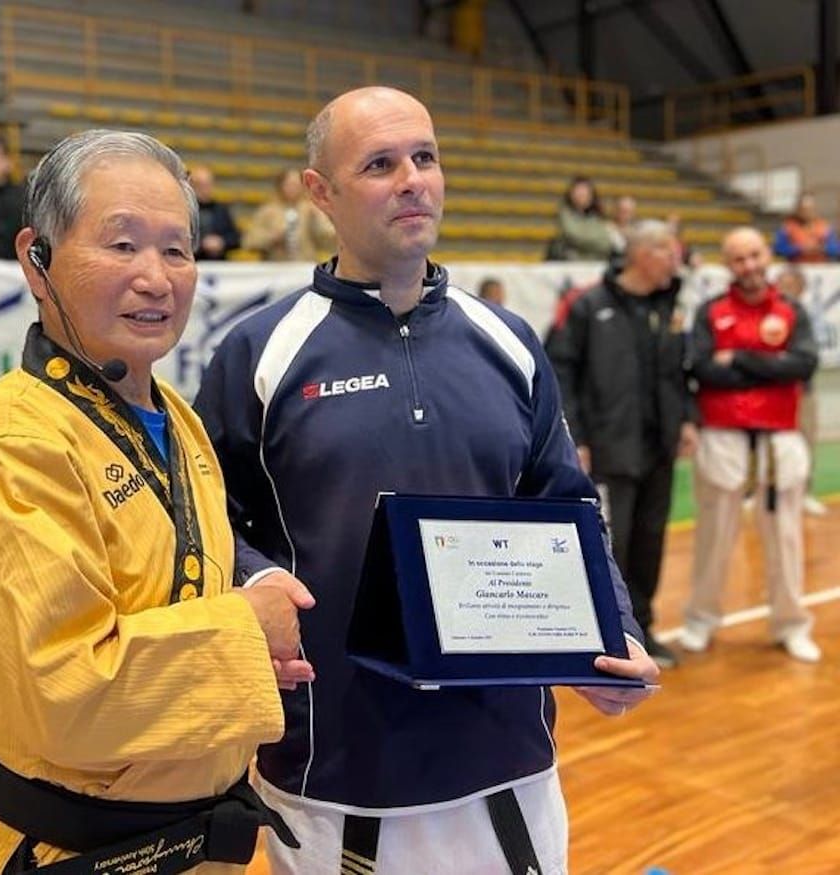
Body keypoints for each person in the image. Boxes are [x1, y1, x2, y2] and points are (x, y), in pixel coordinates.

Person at [195, 86, 658, 875]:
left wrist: (613, 635)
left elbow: (565, 505)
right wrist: (260, 579)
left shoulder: (507, 341)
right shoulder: (259, 353)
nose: (413, 179)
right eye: (380, 164)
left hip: (508, 763)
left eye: (425, 157)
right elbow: (204, 521)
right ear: (320, 192)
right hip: (335, 773)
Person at [0, 129, 315, 874]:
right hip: (64, 849)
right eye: (122, 244)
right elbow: (63, 691)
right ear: (37, 259)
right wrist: (242, 634)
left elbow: (173, 586)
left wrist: (252, 636)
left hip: (200, 840)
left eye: (177, 249)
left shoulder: (179, 419)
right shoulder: (3, 443)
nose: (156, 277)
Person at [547, 220, 699, 669]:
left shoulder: (669, 306)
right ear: (639, 253)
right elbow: (561, 372)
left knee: (651, 541)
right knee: (614, 544)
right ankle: (610, 635)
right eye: (667, 250)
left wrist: (686, 420)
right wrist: (577, 435)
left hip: (659, 447)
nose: (676, 259)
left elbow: (678, 372)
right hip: (611, 449)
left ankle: (644, 631)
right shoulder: (589, 305)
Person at [681, 227, 821, 663]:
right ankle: (700, 620)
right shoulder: (712, 311)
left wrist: (739, 358)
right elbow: (703, 368)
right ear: (728, 264)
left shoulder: (791, 309)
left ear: (767, 255)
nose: (750, 266)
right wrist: (769, 366)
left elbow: (803, 363)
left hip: (780, 436)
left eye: (755, 255)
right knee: (714, 536)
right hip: (723, 434)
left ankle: (791, 623)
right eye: (739, 259)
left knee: (785, 538)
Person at [775, 265, 827, 516]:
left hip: (802, 389)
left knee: (805, 440)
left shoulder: (808, 316)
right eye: (781, 283)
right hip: (772, 390)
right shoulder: (768, 313)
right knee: (765, 444)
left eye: (791, 283)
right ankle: (757, 491)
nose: (786, 288)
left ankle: (805, 492)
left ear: (801, 287)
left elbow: (809, 356)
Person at [242, 167, 335, 261]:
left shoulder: (310, 209)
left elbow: (329, 238)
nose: (293, 188)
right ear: (280, 186)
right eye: (289, 184)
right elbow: (249, 241)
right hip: (275, 266)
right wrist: (271, 238)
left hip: (305, 265)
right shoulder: (267, 211)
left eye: (296, 185)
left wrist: (317, 218)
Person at [548, 175, 614, 262]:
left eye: (586, 192)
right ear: (571, 194)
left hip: (595, 265)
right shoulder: (564, 214)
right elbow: (574, 235)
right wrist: (595, 242)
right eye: (579, 191)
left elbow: (606, 243)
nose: (582, 195)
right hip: (571, 264)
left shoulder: (596, 217)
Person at [189, 164, 241, 260]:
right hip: (194, 260)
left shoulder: (221, 210)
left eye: (208, 184)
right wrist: (201, 244)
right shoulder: (185, 210)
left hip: (219, 264)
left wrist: (222, 242)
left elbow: (236, 238)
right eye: (200, 185)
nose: (205, 189)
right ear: (191, 186)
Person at [773, 192, 840, 263]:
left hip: (821, 268)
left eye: (810, 209)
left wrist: (821, 248)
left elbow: (836, 249)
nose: (807, 212)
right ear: (798, 209)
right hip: (796, 269)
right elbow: (778, 249)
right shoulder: (788, 227)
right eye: (804, 209)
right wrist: (800, 249)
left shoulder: (824, 226)